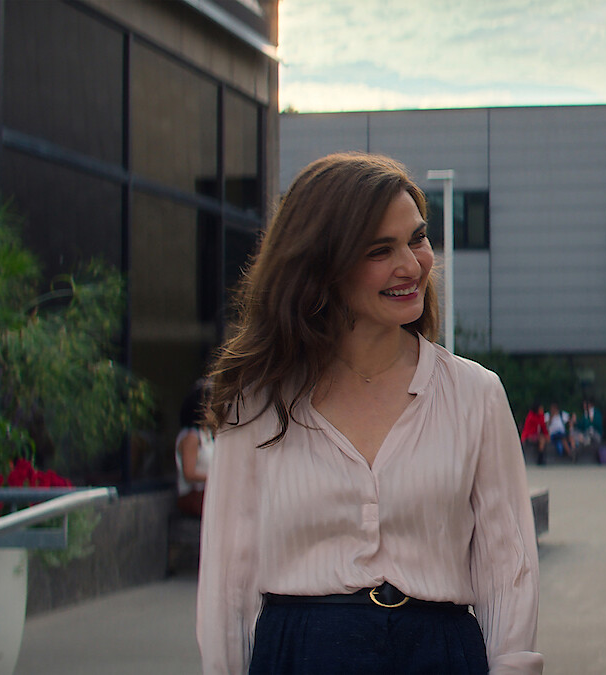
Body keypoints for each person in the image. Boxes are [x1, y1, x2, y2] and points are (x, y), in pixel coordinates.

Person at [197, 152, 542, 674]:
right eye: (381, 250)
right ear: (322, 264)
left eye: (417, 238)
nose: (412, 264)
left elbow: (507, 567)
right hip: (300, 655)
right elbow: (228, 579)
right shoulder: (258, 400)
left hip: (441, 656)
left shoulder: (476, 393)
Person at [174, 378, 214, 517]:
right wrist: (214, 477)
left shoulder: (207, 435)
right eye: (211, 404)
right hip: (194, 496)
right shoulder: (191, 437)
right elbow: (189, 473)